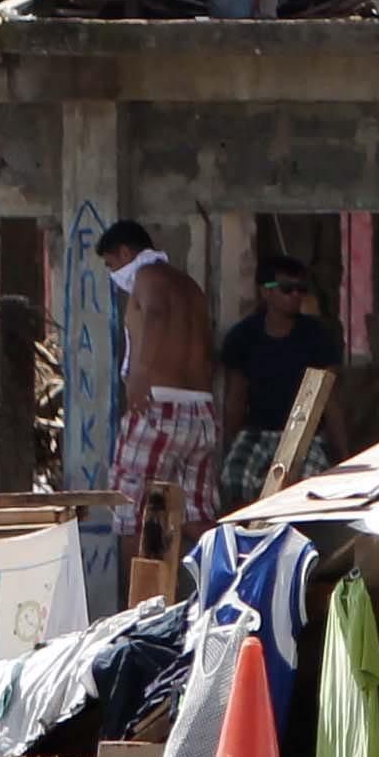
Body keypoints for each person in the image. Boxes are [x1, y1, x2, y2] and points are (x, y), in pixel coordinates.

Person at [96, 219, 217, 547]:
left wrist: (139, 375)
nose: (113, 274)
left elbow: (156, 315)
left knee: (131, 514)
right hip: (201, 412)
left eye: (111, 264)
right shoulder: (190, 286)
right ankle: (239, 566)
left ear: (125, 252)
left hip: (159, 407)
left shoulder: (147, 277)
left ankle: (135, 585)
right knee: (196, 515)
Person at [219, 254, 349, 510]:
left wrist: (344, 456)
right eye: (287, 289)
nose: (296, 295)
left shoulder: (316, 336)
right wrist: (229, 447)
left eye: (301, 289)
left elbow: (330, 400)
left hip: (306, 436)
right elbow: (236, 398)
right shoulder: (243, 336)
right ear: (265, 292)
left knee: (307, 490)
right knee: (233, 479)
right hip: (257, 432)